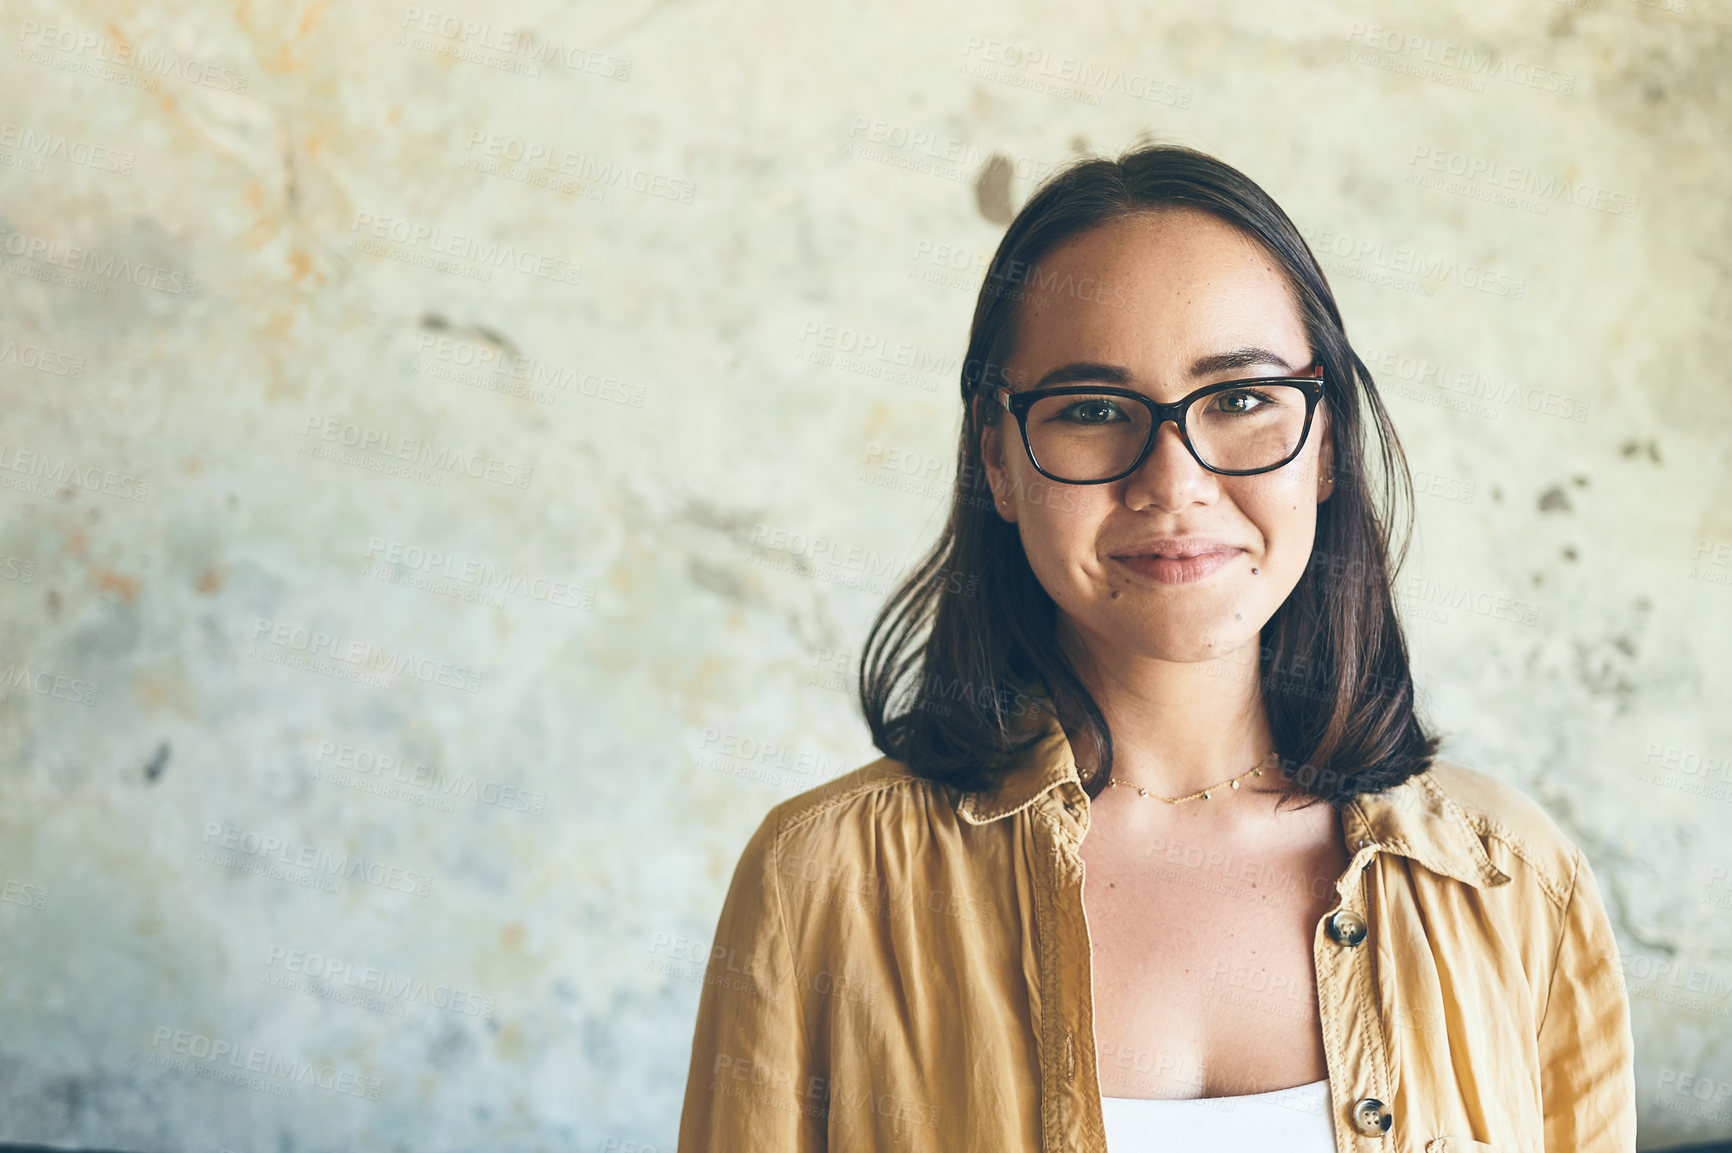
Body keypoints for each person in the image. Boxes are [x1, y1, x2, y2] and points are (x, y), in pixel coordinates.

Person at [675, 143, 1636, 1152]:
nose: (1172, 480)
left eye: (1240, 398)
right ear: (997, 457)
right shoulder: (822, 881)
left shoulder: (1509, 876)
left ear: (1327, 446)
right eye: (1092, 410)